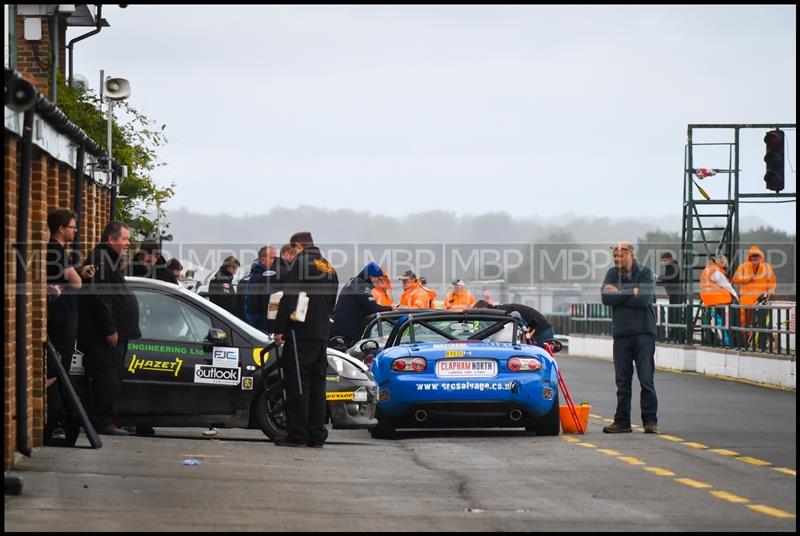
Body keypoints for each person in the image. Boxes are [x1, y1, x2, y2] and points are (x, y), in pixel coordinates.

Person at [273, 232, 339, 448]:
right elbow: (332, 300)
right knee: (317, 386)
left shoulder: (301, 263)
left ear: (299, 246)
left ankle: (297, 435)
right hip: (321, 332)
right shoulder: (328, 266)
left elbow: (289, 296)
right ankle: (316, 434)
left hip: (300, 332)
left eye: (293, 250)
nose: (291, 256)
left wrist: (279, 328)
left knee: (298, 384)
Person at [77, 220, 141, 436]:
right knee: (106, 379)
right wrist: (110, 329)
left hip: (113, 335)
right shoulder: (101, 259)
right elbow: (100, 298)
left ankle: (110, 419)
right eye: (124, 239)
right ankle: (102, 423)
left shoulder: (109, 259)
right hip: (103, 337)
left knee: (112, 378)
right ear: (111, 239)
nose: (127, 243)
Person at [45, 209, 96, 442]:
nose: (76, 231)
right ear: (61, 228)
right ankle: (52, 421)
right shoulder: (56, 250)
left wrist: (78, 272)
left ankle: (53, 419)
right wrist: (77, 275)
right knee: (57, 371)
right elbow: (75, 284)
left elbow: (69, 277)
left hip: (62, 317)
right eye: (73, 226)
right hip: (61, 320)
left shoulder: (55, 251)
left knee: (58, 370)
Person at [600, 241, 658, 435]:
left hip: (644, 333)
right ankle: (622, 421)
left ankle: (650, 421)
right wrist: (631, 291)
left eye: (620, 256)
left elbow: (643, 300)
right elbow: (606, 298)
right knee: (622, 381)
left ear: (631, 254)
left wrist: (620, 293)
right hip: (622, 334)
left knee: (646, 379)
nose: (617, 259)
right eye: (615, 256)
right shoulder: (611, 274)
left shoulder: (646, 272)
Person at [332, 262, 393, 347]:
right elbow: (374, 309)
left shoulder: (356, 282)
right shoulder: (361, 285)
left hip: (342, 328)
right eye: (378, 279)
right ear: (371, 277)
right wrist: (391, 308)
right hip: (347, 333)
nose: (379, 282)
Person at [732, 246, 777, 346]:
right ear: (749, 257)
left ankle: (761, 344)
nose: (755, 258)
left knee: (761, 323)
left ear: (760, 257)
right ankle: (743, 342)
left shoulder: (767, 267)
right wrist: (748, 278)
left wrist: (769, 294)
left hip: (761, 300)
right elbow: (735, 279)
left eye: (756, 256)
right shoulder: (743, 266)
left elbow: (772, 282)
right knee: (743, 322)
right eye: (753, 256)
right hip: (746, 300)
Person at [699, 254, 738, 347]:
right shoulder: (716, 272)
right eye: (725, 264)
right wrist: (736, 296)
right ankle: (728, 342)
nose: (725, 266)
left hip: (708, 300)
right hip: (720, 300)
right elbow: (726, 285)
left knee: (717, 322)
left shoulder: (706, 270)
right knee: (725, 323)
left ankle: (717, 341)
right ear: (721, 262)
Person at [473, 299, 555, 342]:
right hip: (543, 329)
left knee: (540, 362)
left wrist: (526, 331)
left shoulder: (500, 313)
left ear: (484, 309)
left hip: (541, 331)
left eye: (479, 312)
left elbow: (519, 320)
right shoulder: (500, 310)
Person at [242, 246, 278, 331]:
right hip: (258, 327)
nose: (275, 262)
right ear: (263, 260)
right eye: (272, 258)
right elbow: (251, 305)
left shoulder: (267, 276)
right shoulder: (258, 278)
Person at [655, 252, 685, 343]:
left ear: (669, 259)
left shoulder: (673, 267)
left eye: (664, 260)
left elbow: (669, 278)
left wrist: (658, 277)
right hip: (674, 294)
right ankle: (674, 335)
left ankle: (677, 336)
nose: (663, 262)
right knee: (673, 315)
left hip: (677, 294)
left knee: (676, 315)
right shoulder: (670, 267)